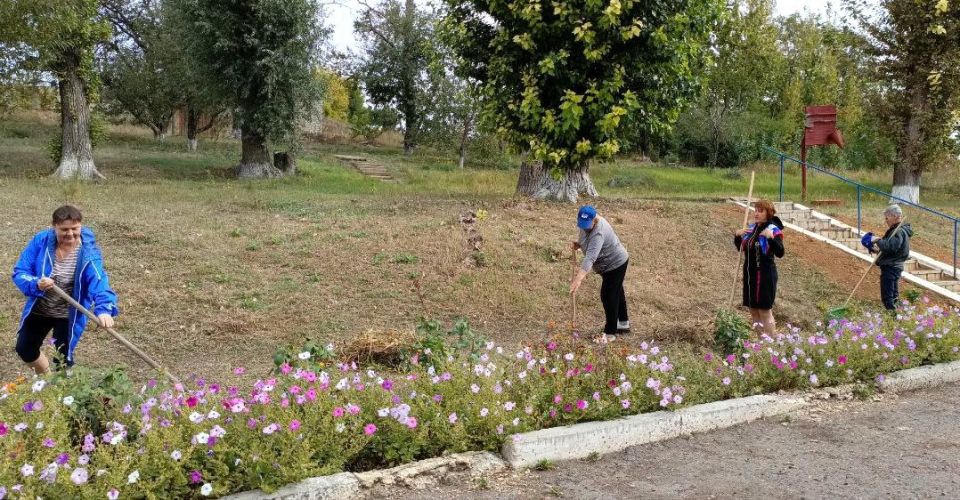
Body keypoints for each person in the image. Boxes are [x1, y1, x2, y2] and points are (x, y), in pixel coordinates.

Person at [12, 205, 119, 374]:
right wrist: (36, 283)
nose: (70, 234)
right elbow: (20, 271)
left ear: (80, 226)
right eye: (64, 229)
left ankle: (62, 393)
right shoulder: (41, 242)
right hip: (40, 309)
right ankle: (45, 379)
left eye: (74, 228)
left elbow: (99, 281)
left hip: (68, 315)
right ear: (54, 226)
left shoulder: (87, 253)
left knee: (62, 359)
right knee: (25, 349)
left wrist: (104, 309)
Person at [570, 205, 630, 336]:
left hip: (615, 264)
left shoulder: (599, 232)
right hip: (608, 264)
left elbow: (590, 258)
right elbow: (587, 238)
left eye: (586, 224)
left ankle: (610, 333)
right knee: (616, 292)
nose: (583, 227)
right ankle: (623, 323)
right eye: (581, 223)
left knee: (608, 296)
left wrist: (578, 280)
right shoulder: (586, 225)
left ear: (595, 220)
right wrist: (580, 244)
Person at [734, 199, 785, 335]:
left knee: (764, 310)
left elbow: (780, 252)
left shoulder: (773, 229)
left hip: (765, 276)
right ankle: (761, 344)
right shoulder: (751, 229)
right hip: (750, 275)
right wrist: (738, 236)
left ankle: (772, 344)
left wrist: (770, 238)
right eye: (755, 210)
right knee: (753, 309)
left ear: (768, 213)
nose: (756, 213)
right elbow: (741, 248)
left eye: (760, 211)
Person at [863, 204, 912, 310]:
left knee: (888, 296)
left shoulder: (898, 231)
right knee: (893, 295)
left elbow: (890, 247)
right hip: (893, 266)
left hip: (891, 267)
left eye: (887, 217)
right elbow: (892, 250)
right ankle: (899, 315)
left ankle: (893, 317)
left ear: (895, 216)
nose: (886, 220)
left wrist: (877, 240)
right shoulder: (898, 230)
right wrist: (876, 250)